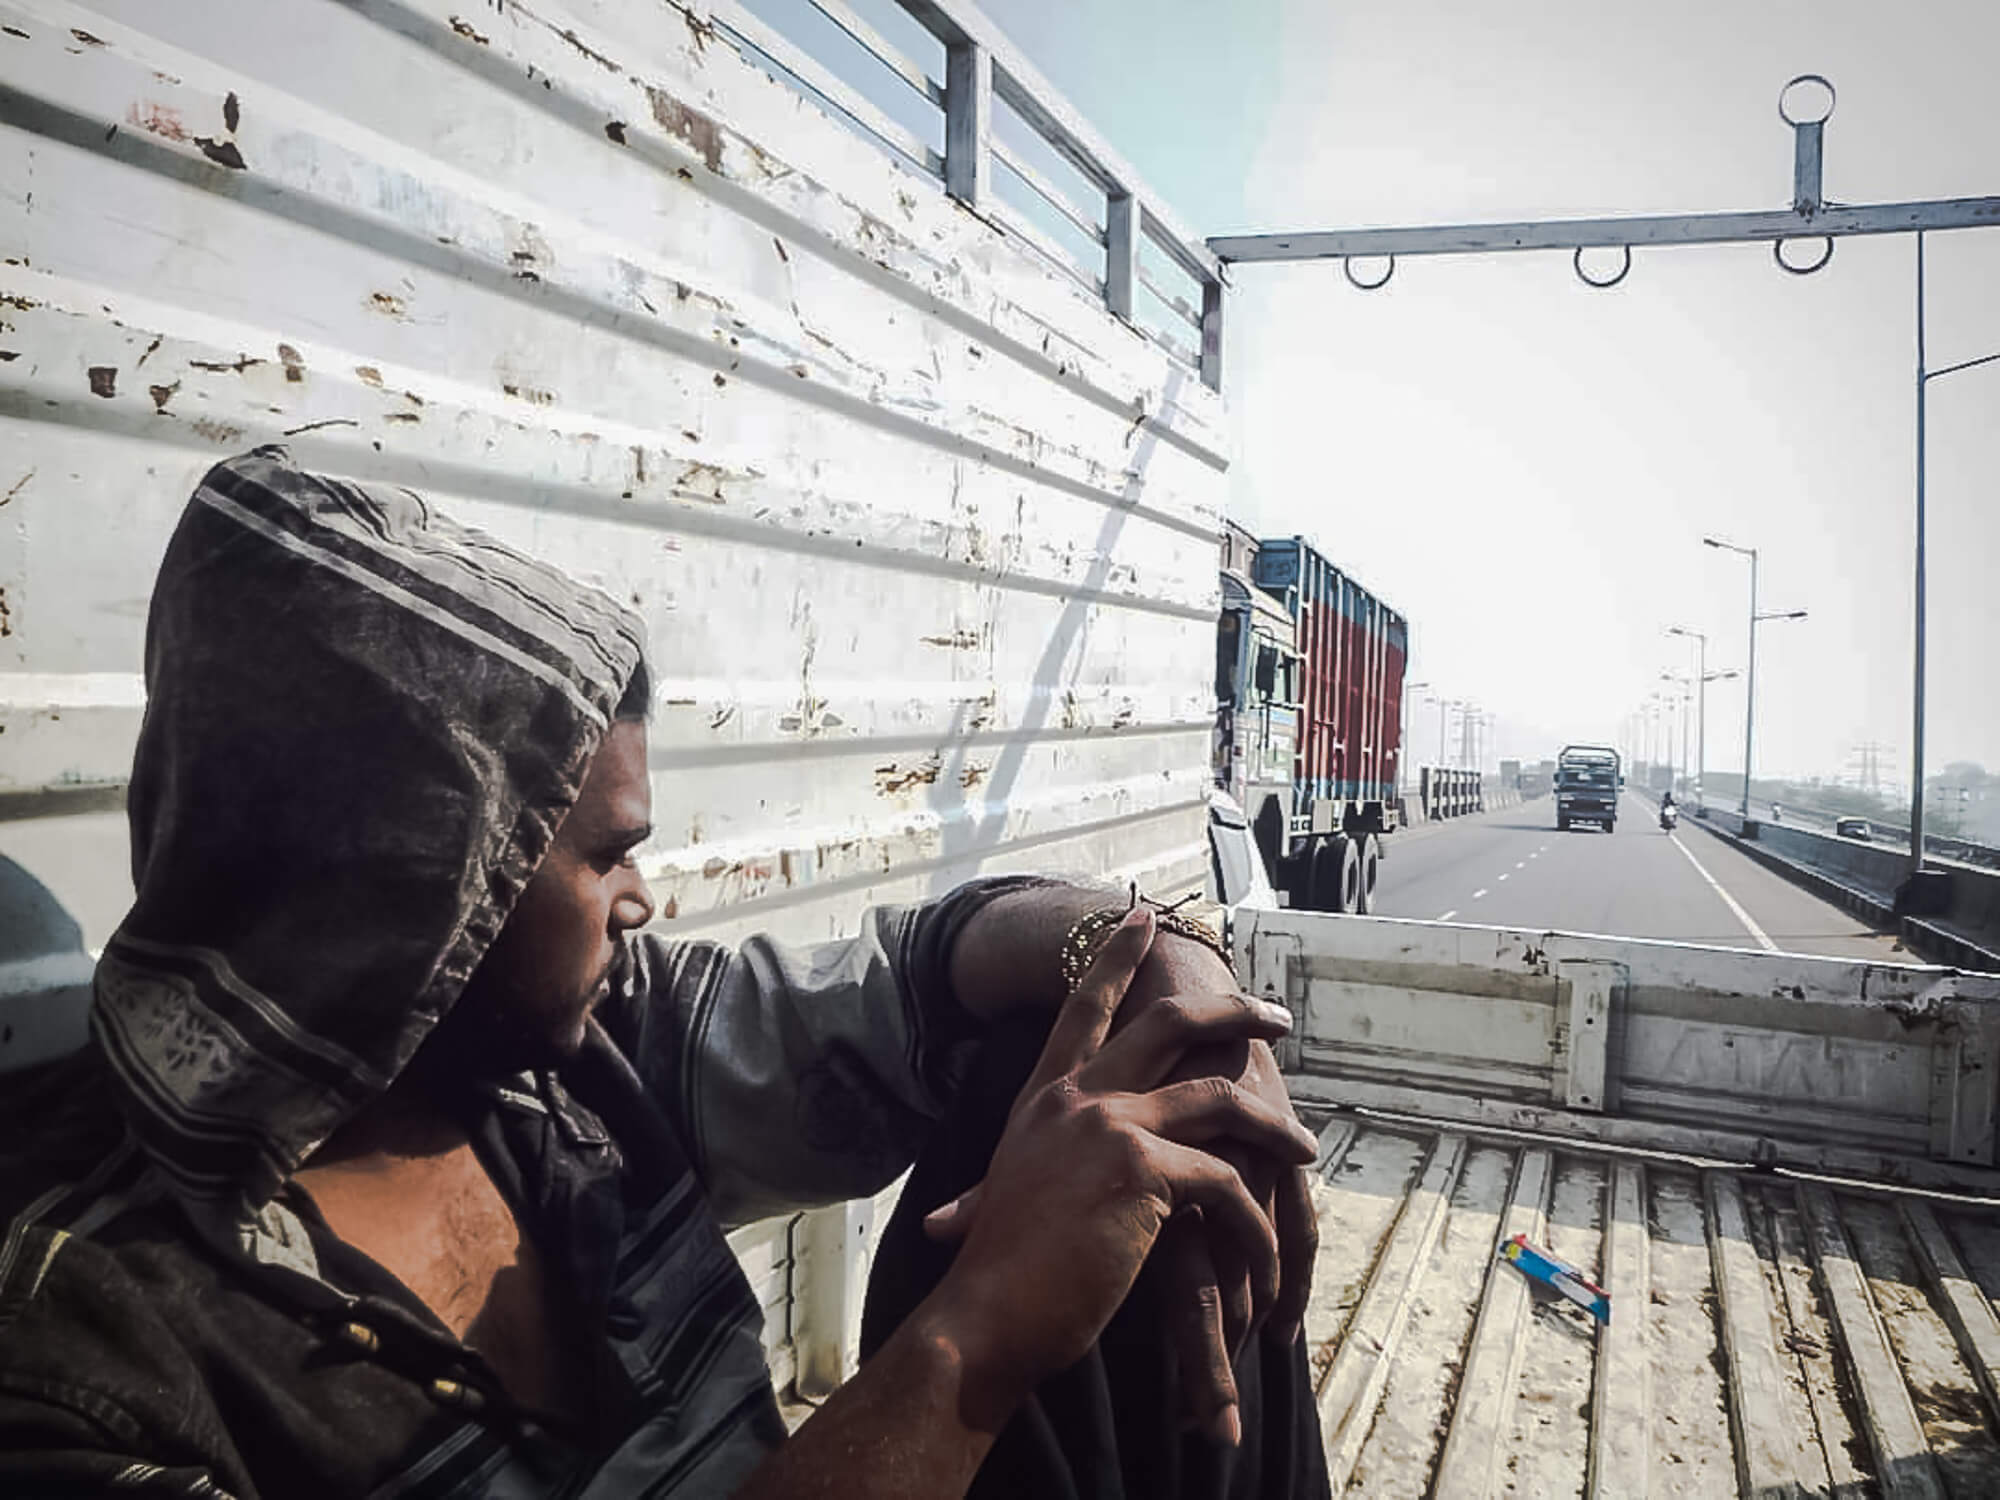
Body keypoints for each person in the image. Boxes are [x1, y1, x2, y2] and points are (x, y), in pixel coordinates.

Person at [0, 450, 1325, 1499]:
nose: (645, 899)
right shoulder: (84, 1356)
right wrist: (974, 1345)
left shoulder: (558, 1061)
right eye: (604, 859)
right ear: (416, 885)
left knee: (1128, 1132)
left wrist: (1157, 966)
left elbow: (928, 977)